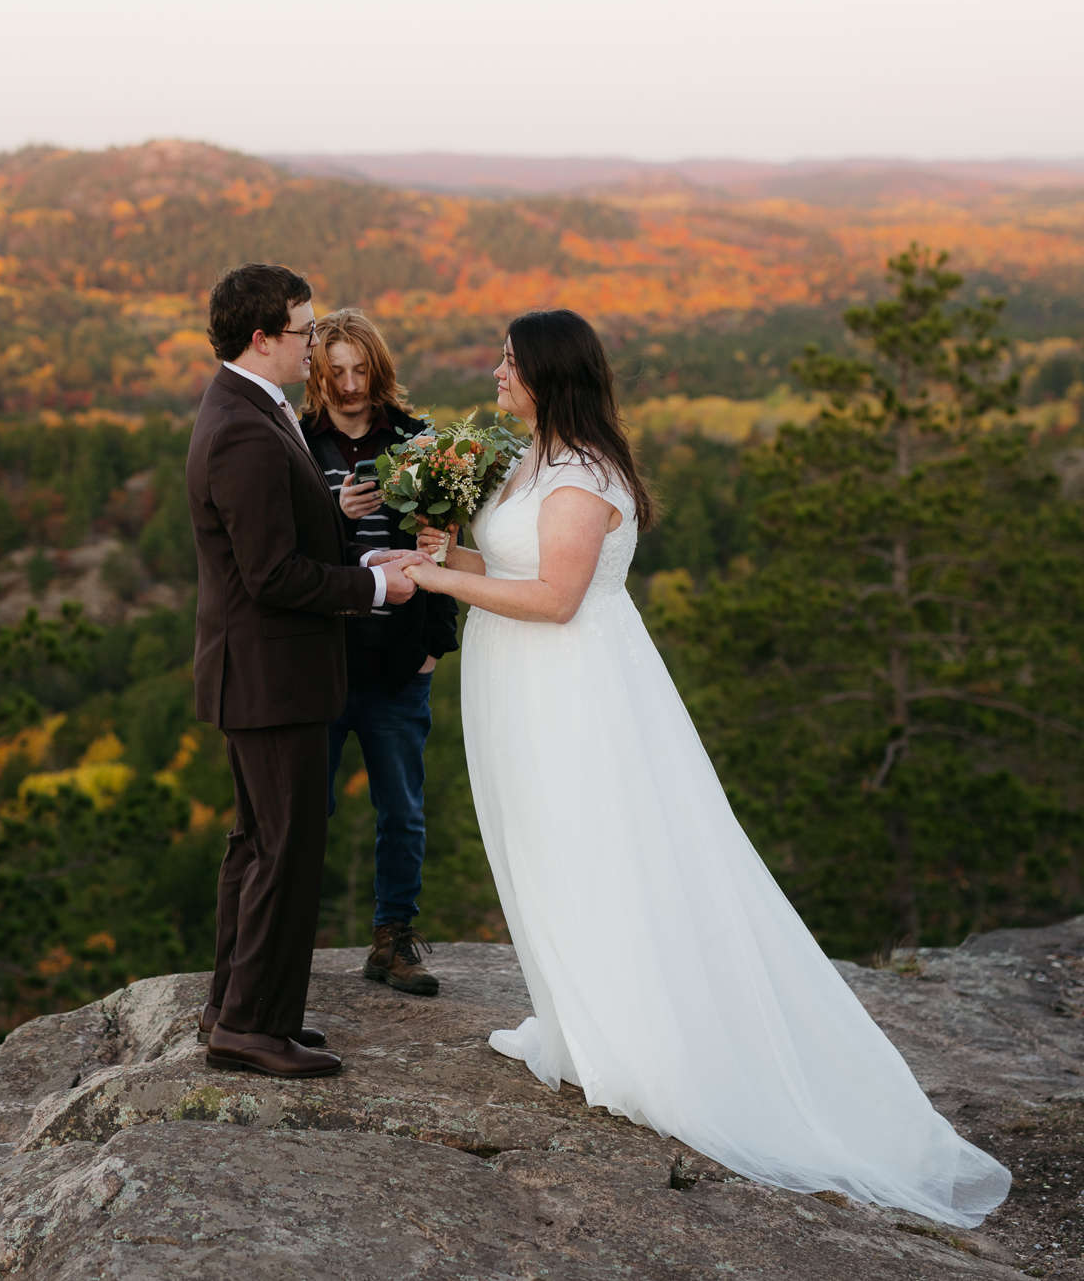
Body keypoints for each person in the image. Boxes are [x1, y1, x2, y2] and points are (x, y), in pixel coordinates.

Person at [399, 309, 1011, 1227]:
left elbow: (557, 597)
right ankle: (582, 1019)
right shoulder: (533, 458)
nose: (495, 372)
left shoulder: (583, 474)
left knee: (594, 849)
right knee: (545, 850)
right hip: (516, 682)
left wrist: (442, 582)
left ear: (549, 377)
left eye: (508, 363)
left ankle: (641, 1042)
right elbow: (517, 562)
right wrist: (452, 554)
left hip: (568, 688)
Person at [185, 263, 423, 1080]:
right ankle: (254, 1025)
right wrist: (372, 585)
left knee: (258, 845)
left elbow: (293, 532)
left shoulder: (255, 407)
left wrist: (360, 538)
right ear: (262, 338)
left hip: (266, 673)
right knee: (284, 850)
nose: (313, 343)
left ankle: (234, 1006)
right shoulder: (245, 426)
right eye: (304, 330)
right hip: (269, 676)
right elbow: (271, 574)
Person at [298, 310, 458, 997]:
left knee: (403, 810)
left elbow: (442, 544)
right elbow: (281, 557)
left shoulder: (419, 442)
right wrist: (334, 515)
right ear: (318, 374)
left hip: (398, 662)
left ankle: (394, 940)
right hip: (321, 660)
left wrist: (433, 649)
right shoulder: (298, 442)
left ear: (378, 367)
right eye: (335, 372)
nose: (350, 384)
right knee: (306, 811)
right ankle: (285, 949)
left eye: (360, 369)